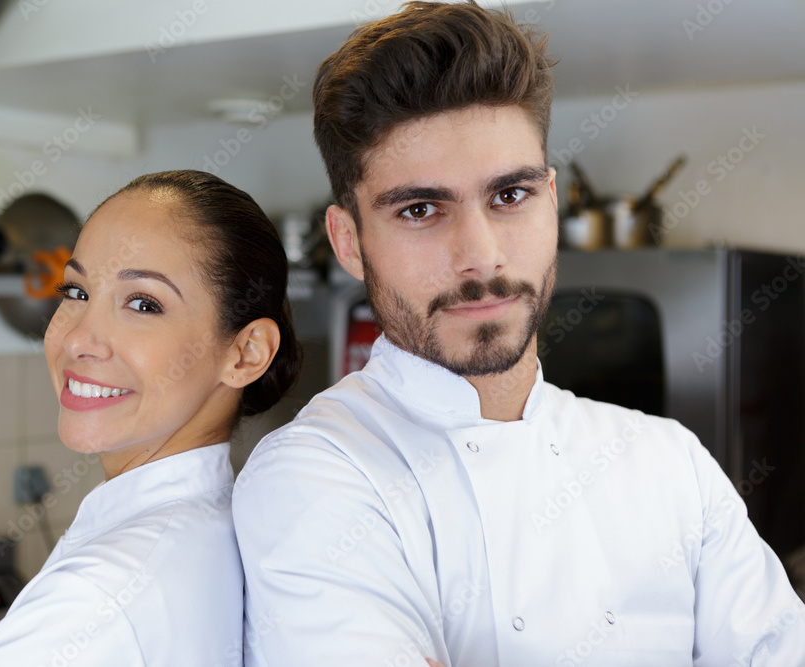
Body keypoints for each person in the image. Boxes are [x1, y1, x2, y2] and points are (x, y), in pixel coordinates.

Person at [232, 2, 805, 666]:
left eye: (510, 196)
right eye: (421, 209)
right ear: (349, 242)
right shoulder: (314, 476)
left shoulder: (668, 463)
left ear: (552, 201)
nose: (480, 254)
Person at [0, 170, 300, 666]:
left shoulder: (94, 599)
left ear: (246, 353)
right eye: (76, 292)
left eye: (143, 303)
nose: (78, 339)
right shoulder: (222, 528)